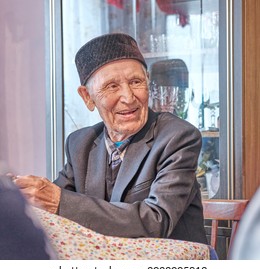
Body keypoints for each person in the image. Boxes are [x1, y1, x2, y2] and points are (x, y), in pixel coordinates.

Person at [14, 33, 207, 244]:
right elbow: (50, 207)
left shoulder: (178, 137)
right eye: (112, 86)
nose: (128, 97)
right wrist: (19, 196)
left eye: (136, 82)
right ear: (87, 97)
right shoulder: (81, 143)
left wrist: (59, 202)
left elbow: (155, 220)